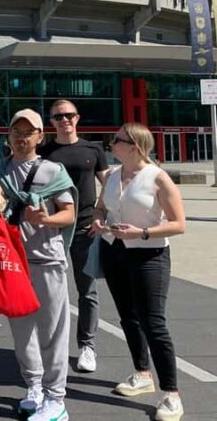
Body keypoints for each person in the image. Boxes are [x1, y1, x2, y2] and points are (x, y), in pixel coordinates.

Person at [91, 123, 186, 421]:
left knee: (153, 322)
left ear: (133, 145)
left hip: (150, 254)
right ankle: (142, 373)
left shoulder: (158, 178)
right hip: (114, 250)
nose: (110, 144)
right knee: (128, 317)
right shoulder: (111, 175)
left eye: (116, 140)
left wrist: (142, 232)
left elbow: (179, 223)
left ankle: (172, 394)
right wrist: (97, 220)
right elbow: (100, 207)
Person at [0, 109, 76, 421]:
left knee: (53, 330)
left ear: (41, 137)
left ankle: (57, 399)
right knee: (21, 331)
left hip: (47, 260)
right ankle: (35, 387)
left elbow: (68, 212)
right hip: (12, 262)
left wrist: (46, 219)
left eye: (29, 132)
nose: (22, 137)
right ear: (9, 135)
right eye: (17, 131)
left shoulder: (53, 171)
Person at [38, 99, 108, 373]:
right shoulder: (45, 152)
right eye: (58, 116)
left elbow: (108, 183)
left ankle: (87, 347)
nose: (64, 120)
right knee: (49, 291)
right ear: (51, 122)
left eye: (69, 115)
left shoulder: (93, 148)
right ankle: (51, 346)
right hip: (52, 228)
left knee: (87, 290)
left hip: (85, 227)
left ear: (77, 118)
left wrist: (102, 214)